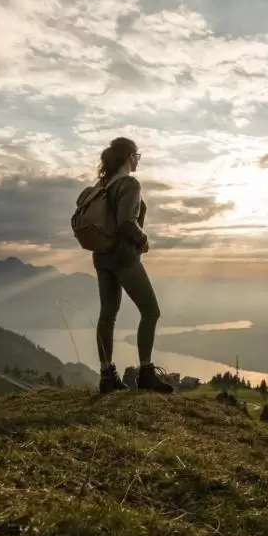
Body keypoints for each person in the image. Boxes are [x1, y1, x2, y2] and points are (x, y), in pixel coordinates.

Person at [92, 137, 174, 394]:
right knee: (151, 312)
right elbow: (127, 222)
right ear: (130, 157)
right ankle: (146, 374)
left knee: (108, 314)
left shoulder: (103, 185)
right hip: (124, 258)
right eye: (138, 156)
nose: (138, 160)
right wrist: (144, 239)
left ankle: (107, 376)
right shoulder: (129, 183)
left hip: (101, 256)